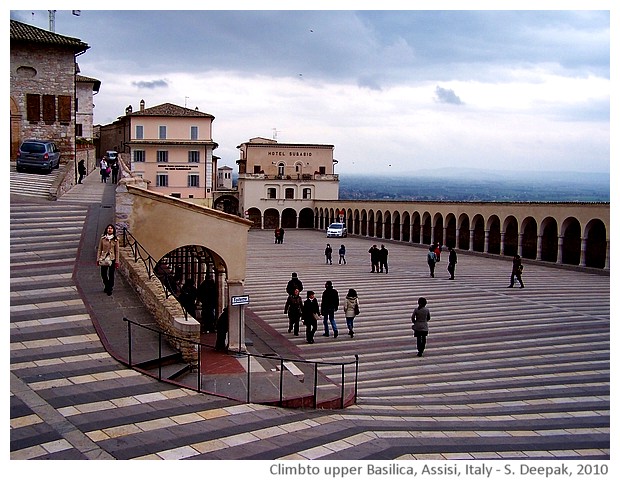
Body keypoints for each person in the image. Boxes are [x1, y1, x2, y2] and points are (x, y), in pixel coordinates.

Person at [97, 223, 119, 296]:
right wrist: (98, 259)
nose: (110, 229)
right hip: (104, 258)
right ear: (106, 230)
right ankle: (106, 285)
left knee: (111, 274)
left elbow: (117, 251)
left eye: (111, 228)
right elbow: (99, 249)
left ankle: (109, 288)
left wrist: (117, 261)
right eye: (109, 228)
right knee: (103, 273)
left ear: (113, 230)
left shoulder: (115, 239)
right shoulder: (103, 238)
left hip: (112, 258)